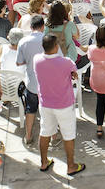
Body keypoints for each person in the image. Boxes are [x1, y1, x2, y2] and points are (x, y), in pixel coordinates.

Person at [33, 34, 85, 176]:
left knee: (45, 132)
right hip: (64, 105)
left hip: (45, 104)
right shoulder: (66, 62)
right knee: (68, 134)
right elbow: (74, 74)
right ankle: (71, 165)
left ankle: (44, 162)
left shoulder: (36, 60)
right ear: (56, 47)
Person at [15, 16, 45, 145]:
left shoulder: (23, 41)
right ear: (43, 26)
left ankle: (28, 136)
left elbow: (19, 62)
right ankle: (53, 136)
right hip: (47, 82)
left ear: (31, 27)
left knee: (30, 110)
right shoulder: (49, 39)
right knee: (48, 111)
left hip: (31, 82)